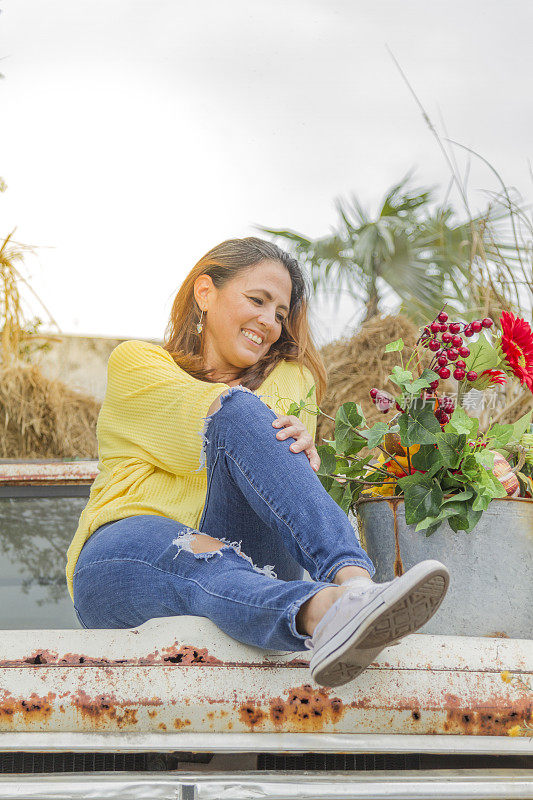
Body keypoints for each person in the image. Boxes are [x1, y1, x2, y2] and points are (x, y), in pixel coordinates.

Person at [66, 237, 449, 688]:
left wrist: (277, 437)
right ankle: (336, 604)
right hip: (128, 556)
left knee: (245, 440)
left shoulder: (292, 378)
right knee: (235, 421)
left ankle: (349, 592)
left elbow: (264, 450)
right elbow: (218, 416)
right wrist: (255, 421)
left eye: (281, 314)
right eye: (258, 300)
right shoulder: (138, 362)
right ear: (205, 293)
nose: (269, 322)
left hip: (251, 559)